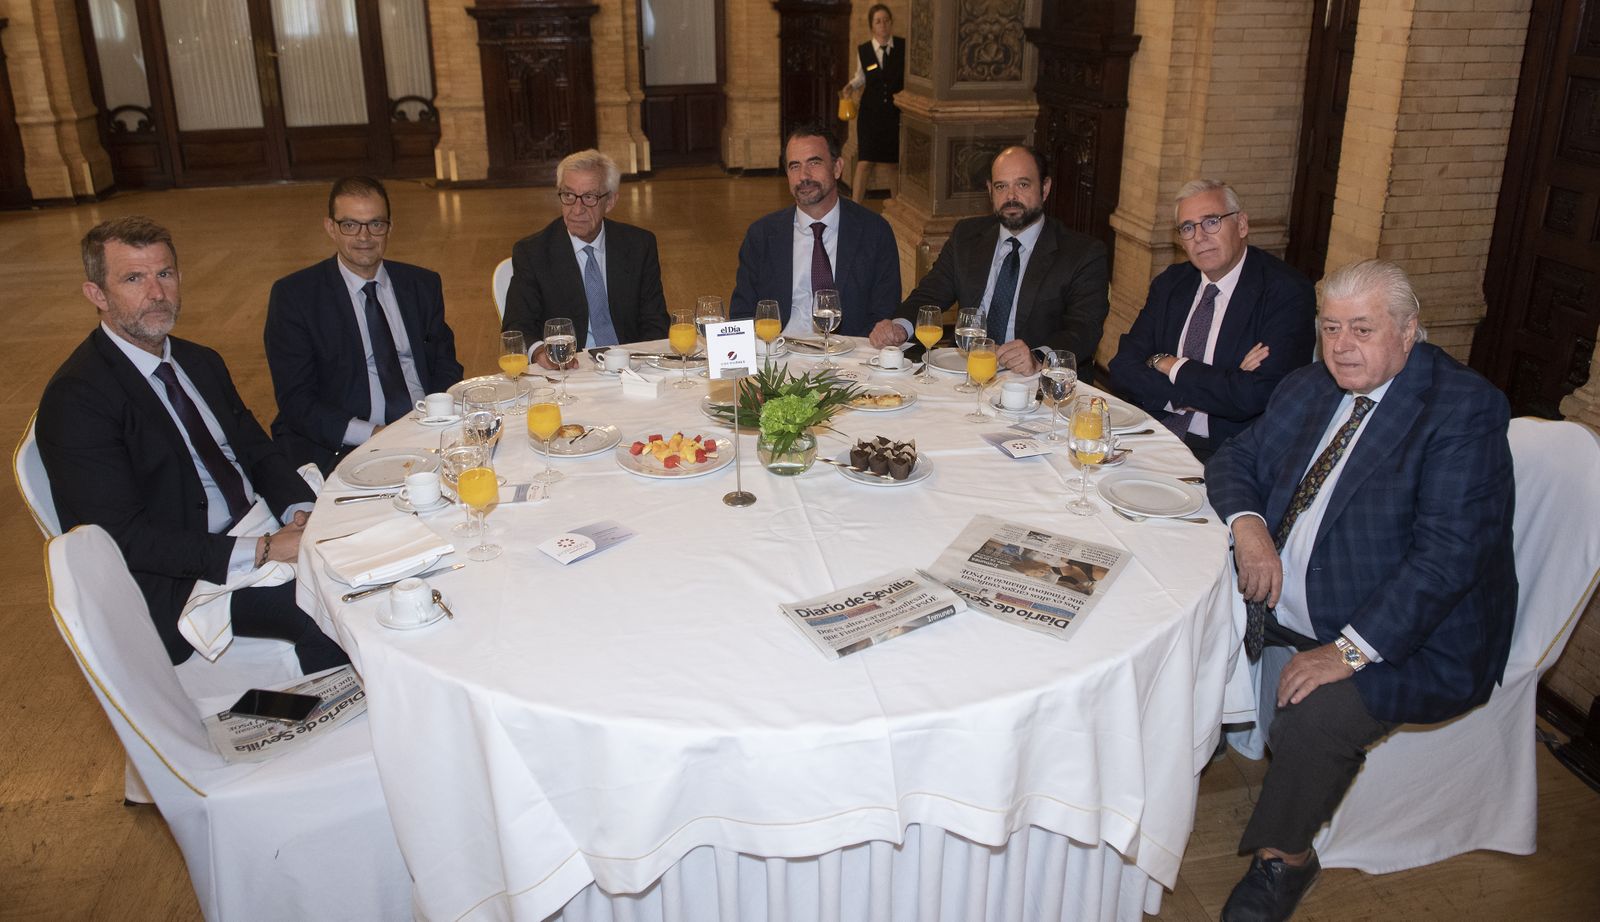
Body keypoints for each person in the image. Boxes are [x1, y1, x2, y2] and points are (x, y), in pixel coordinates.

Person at [1206, 260, 1516, 922]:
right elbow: (1236, 458)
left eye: (1362, 329)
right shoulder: (1311, 386)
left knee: (1317, 714)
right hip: (1289, 589)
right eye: (1330, 327)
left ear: (1408, 332)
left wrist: (1347, 651)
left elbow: (1448, 561)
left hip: (1412, 631)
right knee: (1177, 603)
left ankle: (1285, 860)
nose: (1342, 346)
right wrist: (1250, 526)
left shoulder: (1462, 411)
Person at [37, 217, 348, 674]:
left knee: (381, 562)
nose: (156, 293)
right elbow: (125, 540)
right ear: (97, 295)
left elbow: (257, 452)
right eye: (133, 279)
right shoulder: (79, 399)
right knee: (335, 612)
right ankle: (331, 724)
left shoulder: (199, 361)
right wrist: (264, 549)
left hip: (256, 524)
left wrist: (298, 510)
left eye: (164, 274)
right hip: (187, 577)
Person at [264, 176, 462, 473]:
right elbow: (296, 401)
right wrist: (373, 435)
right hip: (344, 442)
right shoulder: (296, 296)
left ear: (389, 228)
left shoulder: (421, 284)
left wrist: (431, 419)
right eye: (350, 225)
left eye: (375, 224)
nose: (364, 236)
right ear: (330, 227)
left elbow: (446, 364)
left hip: (426, 429)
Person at [1107, 180, 1316, 460]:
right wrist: (1197, 391)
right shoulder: (1171, 283)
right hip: (1156, 432)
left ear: (1241, 225)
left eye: (1211, 222)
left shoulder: (1286, 292)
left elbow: (1254, 395)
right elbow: (1122, 367)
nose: (1199, 237)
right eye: (1188, 228)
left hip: (1230, 453)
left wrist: (1168, 363)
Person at [868, 146, 1108, 379]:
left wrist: (1038, 357)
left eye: (1023, 185)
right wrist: (900, 327)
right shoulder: (967, 236)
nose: (1011, 197)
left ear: (1045, 188)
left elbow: (1083, 330)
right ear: (990, 191)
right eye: (1001, 186)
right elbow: (929, 295)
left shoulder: (1082, 253)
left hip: (1034, 380)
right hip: (966, 371)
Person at [502, 149, 669, 368]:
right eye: (569, 196)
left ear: (609, 202)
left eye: (589, 197)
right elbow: (517, 326)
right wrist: (541, 352)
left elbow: (655, 321)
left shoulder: (639, 245)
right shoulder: (533, 252)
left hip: (630, 363)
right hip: (568, 369)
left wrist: (640, 364)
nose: (577, 209)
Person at [730, 124, 901, 337]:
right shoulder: (762, 235)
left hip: (848, 358)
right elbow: (742, 314)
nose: (804, 176)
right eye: (794, 166)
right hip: (779, 356)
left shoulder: (874, 231)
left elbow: (885, 314)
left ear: (837, 168)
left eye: (814, 163)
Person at [842, 4, 904, 201]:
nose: (883, 25)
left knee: (893, 164)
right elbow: (861, 77)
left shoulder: (902, 47)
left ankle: (896, 208)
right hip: (870, 114)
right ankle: (855, 207)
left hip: (894, 115)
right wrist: (850, 86)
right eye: (878, 21)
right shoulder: (864, 50)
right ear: (872, 26)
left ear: (891, 23)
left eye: (886, 20)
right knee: (865, 161)